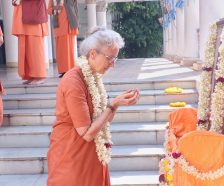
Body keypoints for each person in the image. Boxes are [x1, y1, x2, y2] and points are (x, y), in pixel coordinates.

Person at [47, 27, 140, 186]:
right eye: (110, 58)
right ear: (92, 54)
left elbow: (103, 120)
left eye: (115, 59)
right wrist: (113, 104)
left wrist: (117, 105)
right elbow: (87, 134)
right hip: (72, 155)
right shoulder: (73, 81)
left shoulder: (94, 77)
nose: (112, 65)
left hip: (93, 153)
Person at [12, 0, 48, 85]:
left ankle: (39, 75)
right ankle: (31, 75)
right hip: (23, 15)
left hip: (33, 14)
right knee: (25, 48)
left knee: (35, 48)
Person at [48, 0, 79, 78]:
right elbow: (48, 10)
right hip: (60, 28)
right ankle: (64, 70)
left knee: (70, 50)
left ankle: (71, 70)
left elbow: (75, 9)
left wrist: (76, 23)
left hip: (70, 26)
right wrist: (58, 7)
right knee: (61, 50)